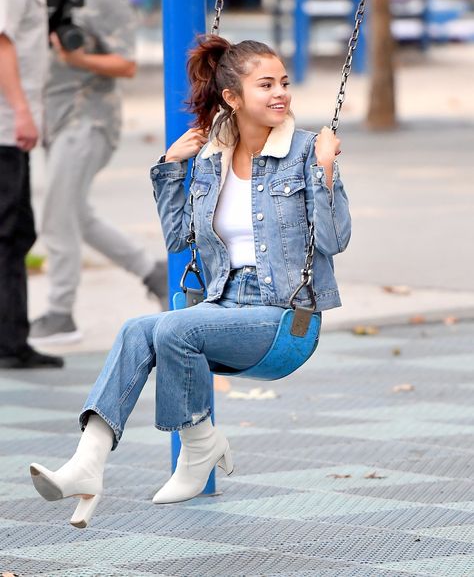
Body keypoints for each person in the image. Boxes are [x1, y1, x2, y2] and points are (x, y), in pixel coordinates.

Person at [29, 35, 351, 527]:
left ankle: (198, 443)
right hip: (222, 304)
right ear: (232, 97)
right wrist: (171, 168)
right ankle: (86, 463)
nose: (280, 93)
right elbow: (180, 238)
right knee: (139, 328)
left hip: (283, 316)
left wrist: (326, 170)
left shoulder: (309, 151)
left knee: (176, 328)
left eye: (283, 82)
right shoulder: (210, 158)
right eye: (265, 84)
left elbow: (333, 240)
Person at [29, 0, 167, 346]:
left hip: (89, 119)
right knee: (77, 215)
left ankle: (60, 312)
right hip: (56, 118)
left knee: (56, 214)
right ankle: (153, 271)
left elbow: (126, 64)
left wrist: (80, 60)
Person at [0, 0, 64, 369]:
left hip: (10, 125)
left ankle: (11, 338)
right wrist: (22, 110)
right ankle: (8, 342)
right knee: (8, 231)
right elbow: (1, 40)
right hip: (4, 125)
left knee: (17, 230)